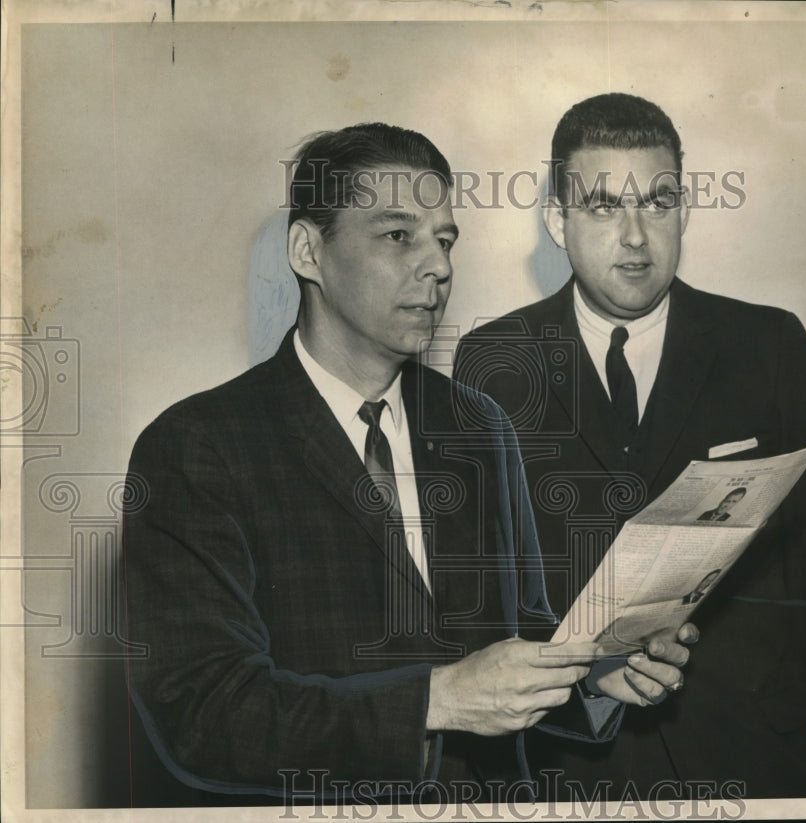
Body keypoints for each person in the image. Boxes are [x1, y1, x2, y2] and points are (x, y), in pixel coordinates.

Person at [122, 123, 694, 806]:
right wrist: (436, 700)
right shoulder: (197, 447)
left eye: (445, 240)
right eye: (399, 236)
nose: (439, 266)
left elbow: (521, 634)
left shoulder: (479, 424)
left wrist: (595, 673)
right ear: (308, 249)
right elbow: (204, 713)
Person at [454, 93, 806, 799]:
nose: (636, 237)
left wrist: (780, 706)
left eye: (659, 202)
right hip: (563, 763)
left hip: (747, 754)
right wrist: (578, 683)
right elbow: (484, 581)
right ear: (558, 221)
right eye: (605, 205)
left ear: (685, 211)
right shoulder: (493, 359)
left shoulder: (768, 344)